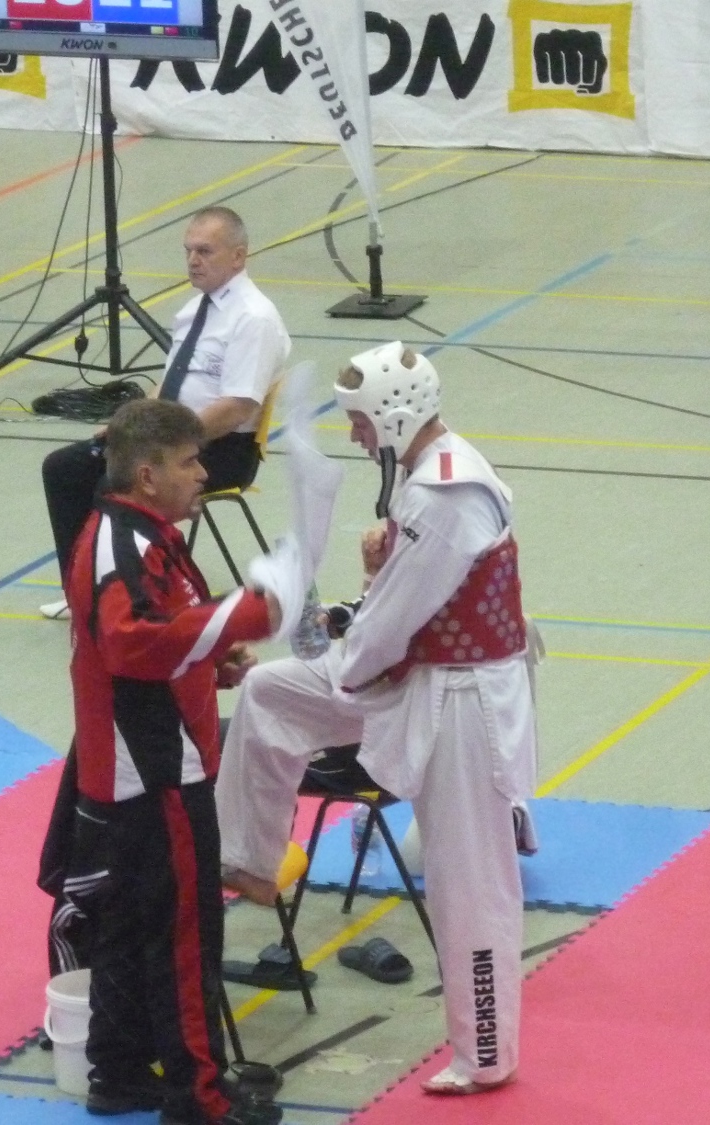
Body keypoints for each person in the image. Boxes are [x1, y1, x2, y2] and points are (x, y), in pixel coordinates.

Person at [216, 343, 537, 1096]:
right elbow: (396, 607)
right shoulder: (427, 480)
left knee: (469, 881)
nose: (356, 436)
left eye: (360, 421)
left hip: (461, 702)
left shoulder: (444, 494)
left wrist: (341, 644)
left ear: (394, 414)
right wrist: (348, 610)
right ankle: (251, 861)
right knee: (270, 694)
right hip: (417, 676)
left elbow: (390, 627)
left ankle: (486, 1051)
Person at [65, 397, 292, 1125]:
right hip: (157, 769)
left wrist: (209, 662)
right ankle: (200, 1099)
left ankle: (119, 1070)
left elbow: (163, 632)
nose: (203, 474)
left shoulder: (145, 535)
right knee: (186, 934)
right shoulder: (121, 544)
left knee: (133, 924)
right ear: (147, 473)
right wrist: (252, 612)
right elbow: (131, 642)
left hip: (147, 760)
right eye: (190, 462)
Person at [39, 204, 290, 619]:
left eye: (205, 251)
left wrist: (164, 441)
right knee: (64, 467)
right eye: (188, 250)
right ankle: (83, 590)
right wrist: (129, 424)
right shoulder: (192, 312)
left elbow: (236, 407)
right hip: (167, 438)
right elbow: (170, 383)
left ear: (238, 256)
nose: (193, 260)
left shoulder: (254, 319)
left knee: (114, 484)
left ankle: (126, 594)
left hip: (217, 449)